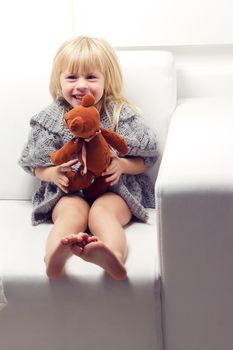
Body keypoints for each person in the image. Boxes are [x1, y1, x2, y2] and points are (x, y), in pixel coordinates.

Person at [19, 36, 157, 281]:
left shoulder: (119, 113)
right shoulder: (50, 118)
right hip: (68, 193)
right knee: (70, 213)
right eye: (72, 77)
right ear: (59, 81)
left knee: (103, 213)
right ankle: (53, 256)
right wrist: (52, 173)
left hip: (114, 192)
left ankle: (112, 255)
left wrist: (123, 165)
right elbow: (35, 164)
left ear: (107, 80)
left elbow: (147, 157)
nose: (81, 85)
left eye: (91, 77)